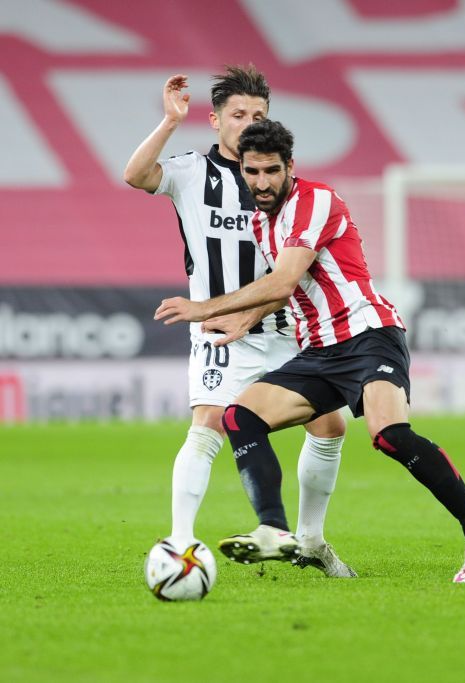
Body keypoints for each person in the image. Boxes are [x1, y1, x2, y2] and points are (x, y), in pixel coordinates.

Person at [154, 119, 465, 583]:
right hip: (318, 350)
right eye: (252, 172)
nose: (261, 183)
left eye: (271, 171)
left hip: (368, 335)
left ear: (290, 167)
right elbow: (283, 292)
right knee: (239, 416)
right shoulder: (264, 221)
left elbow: (280, 280)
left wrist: (203, 307)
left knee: (389, 435)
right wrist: (244, 320)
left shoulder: (315, 200)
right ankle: (275, 530)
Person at [124, 67, 355, 577]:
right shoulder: (189, 172)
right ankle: (180, 544)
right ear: (214, 121)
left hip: (283, 324)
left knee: (330, 424)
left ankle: (312, 540)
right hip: (218, 332)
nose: (249, 123)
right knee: (207, 422)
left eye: (259, 115)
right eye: (238, 115)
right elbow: (136, 175)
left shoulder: (275, 178)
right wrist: (168, 121)